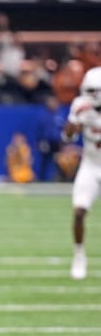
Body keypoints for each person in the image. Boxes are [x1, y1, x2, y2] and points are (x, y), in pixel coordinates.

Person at [62, 66, 101, 280]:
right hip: (91, 164)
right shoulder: (80, 105)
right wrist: (76, 120)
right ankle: (79, 255)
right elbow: (67, 136)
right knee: (78, 212)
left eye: (94, 91)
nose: (91, 95)